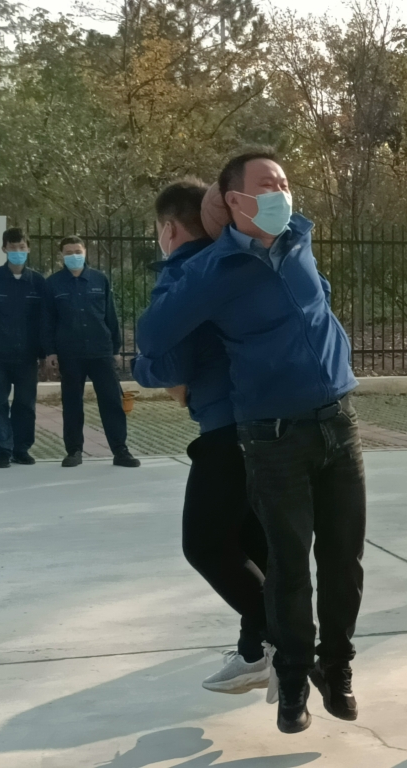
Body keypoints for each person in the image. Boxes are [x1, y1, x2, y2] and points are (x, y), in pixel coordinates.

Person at [136, 149, 365, 734]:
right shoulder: (215, 271)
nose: (282, 192)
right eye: (268, 185)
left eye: (284, 182)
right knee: (284, 563)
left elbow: (318, 302)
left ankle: (324, 664)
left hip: (333, 423)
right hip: (269, 434)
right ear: (232, 200)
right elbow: (155, 339)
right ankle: (290, 673)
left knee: (337, 558)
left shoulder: (298, 239)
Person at [132, 178, 271, 694]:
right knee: (253, 544)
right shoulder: (237, 263)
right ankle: (257, 651)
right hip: (268, 421)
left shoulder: (183, 274)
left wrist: (141, 368)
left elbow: (169, 367)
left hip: (225, 427)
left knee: (207, 545)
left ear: (169, 228)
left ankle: (286, 639)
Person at [43, 236, 140, 468]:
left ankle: (120, 450)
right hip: (70, 353)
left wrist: (115, 348)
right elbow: (47, 320)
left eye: (77, 251)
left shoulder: (99, 279)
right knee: (72, 403)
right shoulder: (53, 283)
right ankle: (74, 451)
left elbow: (111, 316)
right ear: (61, 255)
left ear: (85, 252)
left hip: (100, 351)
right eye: (68, 252)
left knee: (111, 401)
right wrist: (50, 352)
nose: (73, 256)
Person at [0, 228, 46, 468]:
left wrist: (45, 354)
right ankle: (2, 450)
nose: (17, 251)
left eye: (21, 247)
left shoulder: (38, 282)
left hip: (27, 356)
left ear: (28, 248)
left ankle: (21, 449)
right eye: (12, 247)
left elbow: (44, 320)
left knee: (25, 404)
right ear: (4, 249)